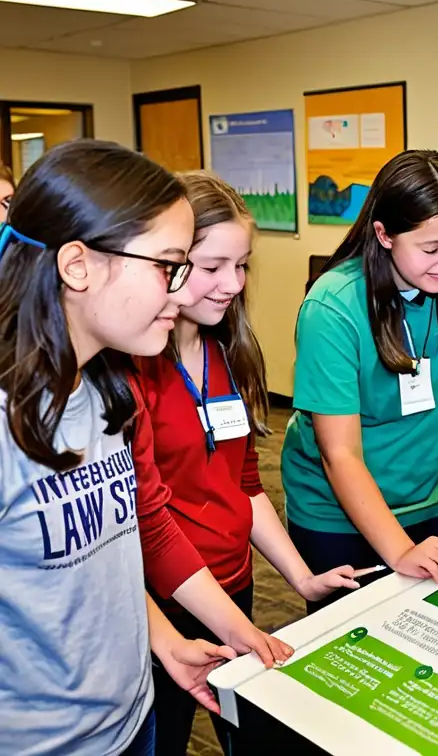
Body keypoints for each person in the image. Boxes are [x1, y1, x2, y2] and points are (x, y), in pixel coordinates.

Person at [0, 140, 235, 756]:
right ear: (77, 266)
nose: (181, 291)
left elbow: (105, 556)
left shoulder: (110, 390)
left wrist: (161, 639)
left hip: (132, 719)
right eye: (167, 266)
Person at [132, 171, 364, 754]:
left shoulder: (228, 349)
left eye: (243, 266)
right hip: (162, 600)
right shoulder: (131, 372)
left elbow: (243, 484)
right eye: (213, 267)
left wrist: (301, 577)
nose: (233, 283)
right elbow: (146, 523)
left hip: (233, 584)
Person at [282, 150, 438, 613]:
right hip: (339, 517)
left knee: (430, 631)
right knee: (347, 653)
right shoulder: (333, 307)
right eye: (432, 248)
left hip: (436, 495)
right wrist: (398, 551)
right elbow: (340, 453)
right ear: (384, 235)